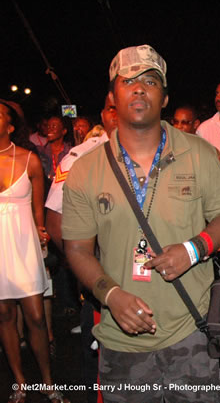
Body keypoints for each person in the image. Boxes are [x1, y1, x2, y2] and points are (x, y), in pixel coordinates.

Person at [62, 44, 220, 402]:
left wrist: (194, 249)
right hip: (121, 337)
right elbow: (77, 248)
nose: (139, 88)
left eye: (150, 80)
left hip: (192, 331)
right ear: (113, 96)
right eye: (128, 81)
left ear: (165, 97)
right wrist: (110, 294)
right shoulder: (85, 169)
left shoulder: (199, 153)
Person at [45, 95, 118, 403]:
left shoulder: (163, 151)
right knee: (101, 360)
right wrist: (86, 264)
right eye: (114, 106)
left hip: (152, 281)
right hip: (101, 281)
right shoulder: (80, 156)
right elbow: (55, 221)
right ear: (105, 114)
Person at [0, 99, 69, 403]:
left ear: (10, 126)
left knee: (36, 316)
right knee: (3, 314)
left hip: (24, 241)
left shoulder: (28, 160)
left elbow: (39, 211)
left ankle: (48, 382)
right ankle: (19, 381)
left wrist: (42, 236)